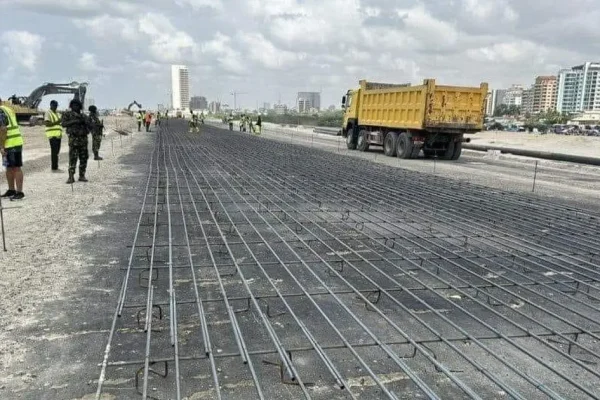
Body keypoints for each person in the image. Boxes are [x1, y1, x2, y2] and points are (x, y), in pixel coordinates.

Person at [0, 101, 25, 200]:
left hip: (12, 143)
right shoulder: (7, 109)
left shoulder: (1, 111)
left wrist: (1, 146)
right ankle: (11, 190)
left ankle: (19, 192)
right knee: (8, 167)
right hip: (10, 142)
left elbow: (3, 129)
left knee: (15, 167)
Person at [61, 99, 90, 183]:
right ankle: (71, 177)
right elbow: (63, 124)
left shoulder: (84, 116)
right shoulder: (67, 114)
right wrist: (75, 121)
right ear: (71, 106)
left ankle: (82, 175)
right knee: (72, 159)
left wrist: (86, 123)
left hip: (83, 140)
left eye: (77, 105)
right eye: (74, 105)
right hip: (73, 140)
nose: (75, 107)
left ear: (80, 106)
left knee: (84, 158)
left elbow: (90, 126)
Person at [44, 100, 63, 171]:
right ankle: (54, 167)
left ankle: (55, 166)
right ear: (51, 105)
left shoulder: (57, 113)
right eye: (54, 106)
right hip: (52, 135)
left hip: (58, 135)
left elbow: (61, 123)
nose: (55, 107)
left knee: (57, 151)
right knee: (54, 151)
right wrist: (58, 122)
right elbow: (47, 123)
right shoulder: (48, 113)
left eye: (56, 106)